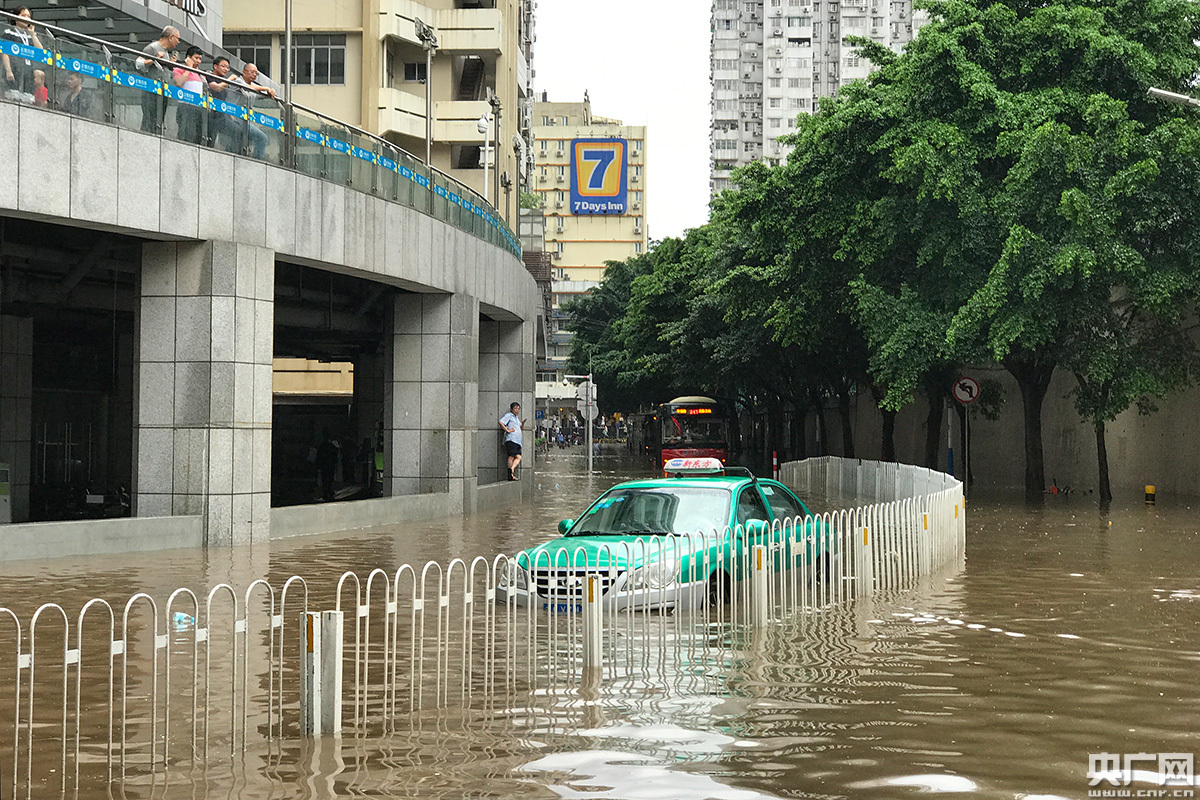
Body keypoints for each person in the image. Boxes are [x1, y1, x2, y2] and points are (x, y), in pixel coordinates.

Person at [136, 26, 179, 133]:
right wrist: (154, 59)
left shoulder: (166, 52)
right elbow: (138, 64)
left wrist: (170, 65)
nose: (178, 42)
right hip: (151, 90)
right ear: (171, 37)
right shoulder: (152, 48)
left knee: (158, 121)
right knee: (149, 120)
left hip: (162, 91)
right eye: (177, 38)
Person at [231, 63, 275, 160]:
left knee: (262, 138)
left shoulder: (254, 86)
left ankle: (256, 160)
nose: (254, 75)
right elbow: (247, 87)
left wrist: (271, 91)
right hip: (234, 116)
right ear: (244, 72)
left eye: (256, 73)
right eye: (252, 72)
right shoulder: (238, 80)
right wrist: (266, 88)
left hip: (245, 120)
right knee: (261, 137)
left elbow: (262, 94)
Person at [2, 7, 42, 99]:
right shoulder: (9, 32)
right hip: (14, 68)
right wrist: (8, 70)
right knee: (13, 95)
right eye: (23, 15)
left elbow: (40, 52)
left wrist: (32, 34)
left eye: (28, 16)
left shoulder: (29, 35)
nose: (26, 18)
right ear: (16, 18)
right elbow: (5, 53)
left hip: (27, 71)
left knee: (27, 98)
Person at [171, 46, 204, 144]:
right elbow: (178, 83)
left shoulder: (200, 74)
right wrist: (188, 68)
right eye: (196, 58)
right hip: (185, 106)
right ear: (188, 57)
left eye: (200, 59)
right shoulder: (179, 69)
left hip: (198, 108)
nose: (198, 61)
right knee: (186, 135)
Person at [206, 56, 234, 150]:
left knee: (236, 131)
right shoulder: (209, 75)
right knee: (209, 139)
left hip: (221, 115)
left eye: (227, 67)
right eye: (223, 66)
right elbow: (216, 87)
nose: (226, 69)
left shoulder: (223, 81)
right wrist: (229, 80)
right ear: (215, 66)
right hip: (210, 114)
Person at [498, 401, 525, 481]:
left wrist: (522, 423)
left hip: (518, 441)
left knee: (518, 457)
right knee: (511, 456)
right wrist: (507, 430)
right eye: (515, 408)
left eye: (518, 409)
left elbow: (520, 428)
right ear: (511, 409)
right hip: (511, 439)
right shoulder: (509, 416)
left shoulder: (516, 418)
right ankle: (510, 474)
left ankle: (511, 470)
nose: (517, 410)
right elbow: (500, 422)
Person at [315, 428, 338, 501]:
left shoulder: (321, 447)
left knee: (325, 478)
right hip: (330, 464)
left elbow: (318, 457)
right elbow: (335, 455)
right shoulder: (332, 447)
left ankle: (326, 491)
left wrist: (318, 466)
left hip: (324, 465)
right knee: (330, 478)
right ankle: (328, 490)